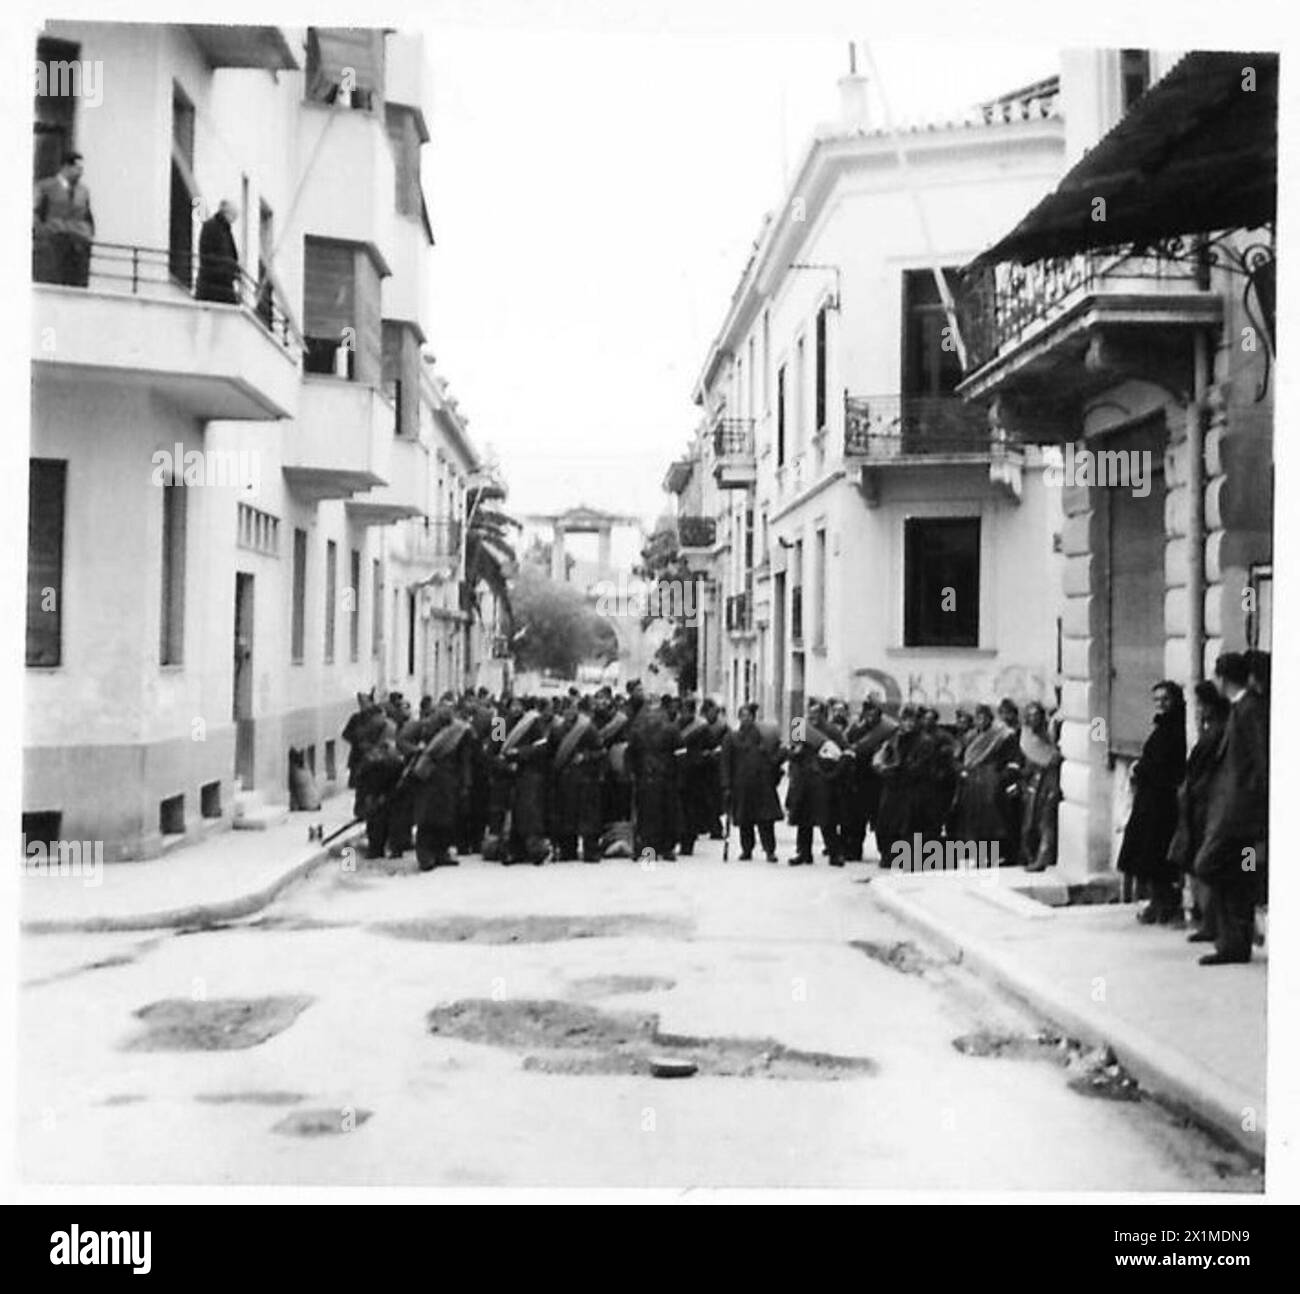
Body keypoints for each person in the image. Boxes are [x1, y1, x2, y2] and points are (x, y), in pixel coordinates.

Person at [1193, 654, 1268, 964]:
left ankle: (1234, 940)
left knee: (1209, 865)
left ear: (1223, 679)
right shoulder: (1243, 708)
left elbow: (1262, 760)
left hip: (1241, 816)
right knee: (1239, 873)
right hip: (1238, 814)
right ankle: (1235, 943)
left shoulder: (1249, 709)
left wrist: (1260, 808)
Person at [1118, 681, 1187, 923]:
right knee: (1149, 855)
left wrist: (1143, 769)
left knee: (1157, 854)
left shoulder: (1177, 728)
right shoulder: (1164, 726)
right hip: (1151, 799)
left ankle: (1166, 903)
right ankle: (1158, 903)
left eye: (1165, 699)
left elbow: (1167, 763)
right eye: (1156, 700)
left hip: (1163, 800)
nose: (1160, 704)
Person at [1169, 681, 1230, 942]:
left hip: (1207, 809)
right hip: (1200, 807)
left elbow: (1205, 772)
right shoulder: (1215, 731)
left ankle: (1215, 924)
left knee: (1204, 865)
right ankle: (1210, 921)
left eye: (1202, 705)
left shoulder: (1216, 733)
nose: (1200, 711)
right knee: (1198, 864)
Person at [947, 703, 1020, 866]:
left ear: (990, 718)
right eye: (978, 717)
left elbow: (1012, 761)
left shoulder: (1003, 736)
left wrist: (1001, 778)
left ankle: (998, 855)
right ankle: (978, 856)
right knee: (972, 824)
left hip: (991, 783)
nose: (981, 721)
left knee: (993, 823)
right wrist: (961, 771)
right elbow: (958, 759)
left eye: (984, 717)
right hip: (972, 784)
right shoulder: (969, 737)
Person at [407, 701, 472, 870]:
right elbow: (495, 743)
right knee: (428, 817)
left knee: (447, 818)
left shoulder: (466, 728)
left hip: (450, 778)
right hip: (432, 777)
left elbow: (470, 755)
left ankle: (443, 851)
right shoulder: (426, 727)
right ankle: (427, 854)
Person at [720, 703, 784, 862]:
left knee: (766, 820)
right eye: (742, 716)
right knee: (744, 820)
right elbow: (725, 763)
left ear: (753, 718)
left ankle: (769, 850)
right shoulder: (732, 737)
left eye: (748, 716)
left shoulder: (765, 736)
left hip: (762, 783)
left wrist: (781, 758)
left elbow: (774, 758)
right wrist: (726, 785)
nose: (745, 719)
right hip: (741, 784)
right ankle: (746, 849)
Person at [786, 699, 846, 866]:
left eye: (816, 713)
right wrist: (794, 753)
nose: (812, 716)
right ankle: (803, 852)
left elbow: (843, 753)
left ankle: (835, 853)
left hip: (822, 779)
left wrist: (833, 774)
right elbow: (792, 753)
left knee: (827, 819)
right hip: (804, 778)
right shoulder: (800, 728)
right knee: (803, 819)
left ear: (823, 714)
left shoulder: (832, 731)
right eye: (810, 712)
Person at [625, 699, 684, 860]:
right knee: (647, 817)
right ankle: (648, 851)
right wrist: (631, 773)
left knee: (667, 815)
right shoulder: (638, 732)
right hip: (645, 779)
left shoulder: (671, 731)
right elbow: (630, 754)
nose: (652, 716)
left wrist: (679, 774)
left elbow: (680, 754)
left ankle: (666, 848)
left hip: (666, 779)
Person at [550, 696, 606, 862]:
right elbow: (550, 754)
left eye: (572, 708)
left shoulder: (587, 728)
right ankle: (568, 849)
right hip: (565, 780)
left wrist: (586, 757)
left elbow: (601, 751)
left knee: (588, 817)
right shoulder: (557, 730)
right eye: (566, 709)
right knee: (567, 816)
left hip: (584, 780)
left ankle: (590, 850)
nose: (569, 712)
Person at [841, 698, 896, 861]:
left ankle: (886, 853)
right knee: (854, 820)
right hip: (857, 779)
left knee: (882, 821)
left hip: (877, 781)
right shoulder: (855, 729)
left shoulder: (887, 730)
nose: (871, 717)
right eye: (868, 713)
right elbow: (846, 745)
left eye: (874, 713)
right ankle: (852, 851)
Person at [33, 152, 94, 286]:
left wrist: (87, 234)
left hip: (77, 249)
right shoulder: (45, 187)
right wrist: (42, 232)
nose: (80, 172)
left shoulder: (83, 191)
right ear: (66, 167)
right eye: (78, 168)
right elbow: (35, 214)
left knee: (75, 290)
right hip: (51, 246)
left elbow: (88, 217)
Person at [1019, 700, 1063, 872]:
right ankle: (1030, 854)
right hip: (1034, 783)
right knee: (1030, 822)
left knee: (1046, 821)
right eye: (1030, 715)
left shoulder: (1054, 728)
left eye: (1036, 715)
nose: (1033, 719)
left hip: (1050, 780)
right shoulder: (1026, 737)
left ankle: (1043, 857)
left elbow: (1054, 757)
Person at [196, 199, 241, 303]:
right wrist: (228, 265)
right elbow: (206, 254)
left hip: (222, 283)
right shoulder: (212, 227)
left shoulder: (225, 230)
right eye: (234, 215)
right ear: (226, 213)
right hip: (214, 284)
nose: (234, 219)